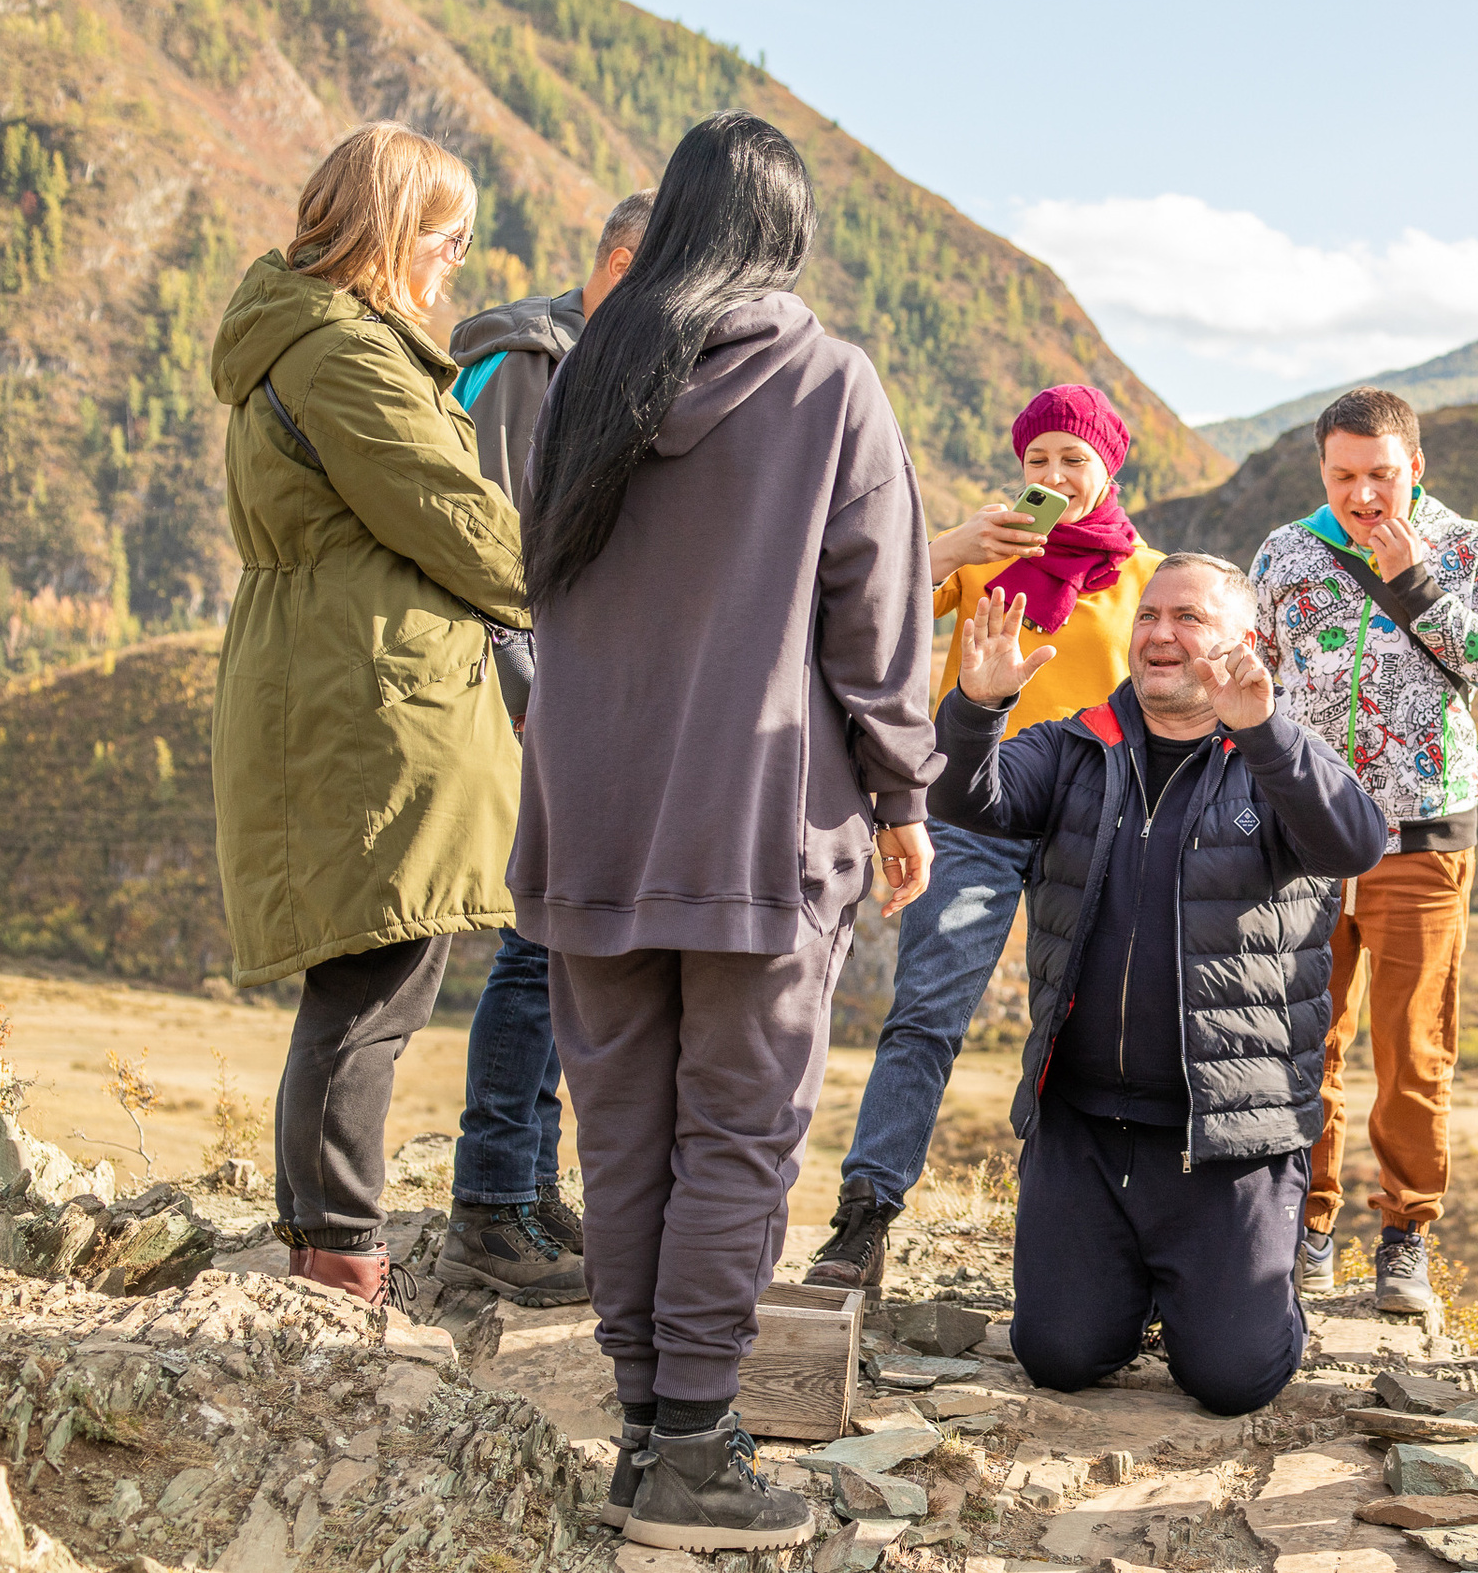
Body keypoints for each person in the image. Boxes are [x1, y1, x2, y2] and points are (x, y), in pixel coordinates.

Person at [510, 112, 940, 1554]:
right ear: (785, 233)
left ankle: (645, 1427)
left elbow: (541, 595)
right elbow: (876, 621)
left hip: (589, 816)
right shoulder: (827, 382)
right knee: (740, 1138)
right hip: (759, 820)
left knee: (623, 1132)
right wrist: (901, 792)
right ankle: (695, 1444)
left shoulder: (584, 382)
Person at [931, 560, 1387, 1417]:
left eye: (1189, 618)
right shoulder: (1074, 744)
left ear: (1242, 644)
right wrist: (976, 710)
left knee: (1234, 1378)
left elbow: (1354, 844)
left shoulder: (1279, 757)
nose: (1161, 634)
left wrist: (1268, 734)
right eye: (1149, 616)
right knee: (1058, 1357)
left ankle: (1249, 1283)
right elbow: (964, 797)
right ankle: (1132, 1279)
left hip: (1225, 1139)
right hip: (1084, 1127)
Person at [207, 121, 527, 1308]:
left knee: (363, 983)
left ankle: (321, 1245)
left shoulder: (301, 339)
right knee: (374, 991)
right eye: (445, 237)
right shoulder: (346, 355)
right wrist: (573, 577)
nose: (454, 262)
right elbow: (458, 520)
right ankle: (343, 1258)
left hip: (343, 687)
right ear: (393, 230)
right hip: (376, 704)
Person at [806, 384, 1163, 1291]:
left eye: (1072, 461)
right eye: (1037, 460)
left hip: (1093, 813)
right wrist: (950, 548)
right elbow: (865, 602)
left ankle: (1076, 1236)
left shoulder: (1144, 575)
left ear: (1109, 469)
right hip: (970, 801)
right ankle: (865, 1216)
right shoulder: (981, 554)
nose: (1052, 477)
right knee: (927, 1013)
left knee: (1084, 1032)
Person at [1249, 387, 1478, 1314]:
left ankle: (1406, 1233)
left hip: (1424, 836)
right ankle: (1307, 1225)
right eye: (1343, 477)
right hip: (1301, 835)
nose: (1363, 496)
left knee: (1414, 1050)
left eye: (1381, 474)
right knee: (1304, 1040)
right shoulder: (1287, 553)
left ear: (1417, 467)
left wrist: (1418, 583)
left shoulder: (1473, 549)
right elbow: (1255, 676)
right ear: (1321, 473)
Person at [431, 188, 654, 1309]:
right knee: (535, 950)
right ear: (616, 263)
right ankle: (487, 1203)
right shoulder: (526, 360)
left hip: (580, 701)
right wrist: (536, 696)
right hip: (530, 704)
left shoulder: (598, 360)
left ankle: (524, 1189)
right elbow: (491, 543)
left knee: (561, 949)